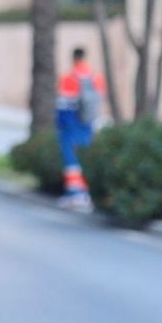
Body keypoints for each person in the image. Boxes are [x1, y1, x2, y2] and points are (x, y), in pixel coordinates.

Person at [56, 46, 105, 210]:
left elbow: (63, 104)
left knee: (71, 160)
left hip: (70, 123)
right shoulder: (96, 78)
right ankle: (84, 194)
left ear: (73, 58)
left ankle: (76, 194)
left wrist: (60, 124)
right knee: (83, 158)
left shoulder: (68, 78)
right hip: (87, 124)